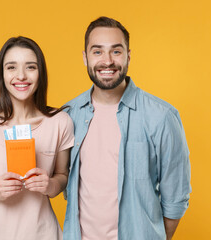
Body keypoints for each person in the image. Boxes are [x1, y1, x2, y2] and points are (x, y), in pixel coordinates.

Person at [63, 17, 191, 240]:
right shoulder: (68, 115)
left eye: (116, 51)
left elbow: (176, 199)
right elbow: (65, 186)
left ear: (128, 56)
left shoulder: (162, 117)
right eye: (97, 52)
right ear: (85, 58)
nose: (107, 61)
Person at [0, 36, 74, 240]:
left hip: (43, 234)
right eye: (11, 67)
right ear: (2, 73)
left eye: (30, 67)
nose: (21, 76)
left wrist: (51, 186)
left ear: (41, 73)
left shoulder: (60, 122)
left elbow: (62, 175)